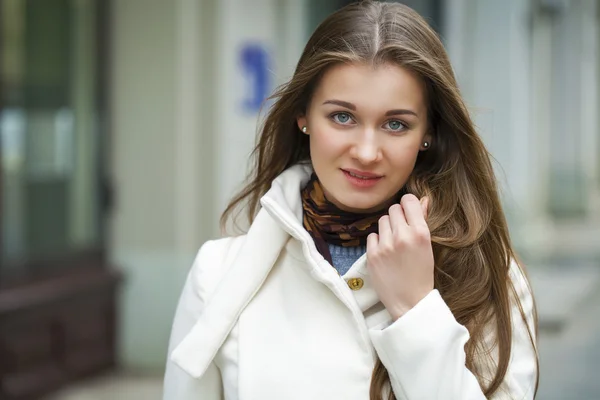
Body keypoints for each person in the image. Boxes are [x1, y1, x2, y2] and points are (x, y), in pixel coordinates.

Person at [163, 1, 539, 399]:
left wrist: (416, 310)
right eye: (343, 117)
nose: (366, 151)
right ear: (303, 116)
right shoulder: (218, 275)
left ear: (428, 132)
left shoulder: (488, 276)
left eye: (396, 124)